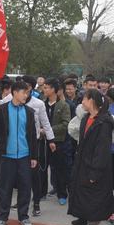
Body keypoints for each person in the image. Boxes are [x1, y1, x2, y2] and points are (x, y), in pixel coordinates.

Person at [0, 81, 38, 225]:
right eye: (24, 92)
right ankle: (2, 217)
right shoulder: (2, 109)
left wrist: (34, 156)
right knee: (5, 188)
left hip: (24, 156)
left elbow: (33, 136)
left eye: (27, 93)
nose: (26, 96)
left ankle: (24, 216)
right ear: (15, 92)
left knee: (25, 187)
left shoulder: (29, 112)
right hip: (7, 156)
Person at [68, 88, 114, 225]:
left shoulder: (103, 123)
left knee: (93, 196)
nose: (82, 102)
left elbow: (102, 151)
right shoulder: (86, 118)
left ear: (92, 101)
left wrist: (95, 171)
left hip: (95, 166)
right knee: (82, 191)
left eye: (84, 99)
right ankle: (83, 216)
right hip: (83, 162)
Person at [42, 79, 72, 208]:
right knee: (42, 168)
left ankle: (62, 194)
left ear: (54, 89)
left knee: (60, 168)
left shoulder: (63, 105)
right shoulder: (42, 104)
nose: (45, 90)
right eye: (44, 87)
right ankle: (41, 193)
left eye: (47, 87)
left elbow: (66, 124)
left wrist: (48, 130)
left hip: (59, 141)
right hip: (43, 141)